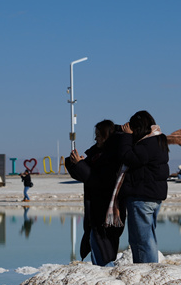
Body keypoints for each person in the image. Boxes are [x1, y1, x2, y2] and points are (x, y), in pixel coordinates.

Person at [66, 120, 126, 266]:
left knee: (104, 249)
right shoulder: (97, 155)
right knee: (95, 243)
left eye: (99, 135)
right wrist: (74, 163)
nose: (96, 138)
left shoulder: (112, 157)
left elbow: (98, 180)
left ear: (107, 136)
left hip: (106, 212)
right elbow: (84, 174)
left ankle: (106, 275)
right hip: (96, 211)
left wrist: (79, 165)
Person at [118, 110, 169, 264]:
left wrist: (126, 137)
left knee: (141, 240)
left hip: (142, 197)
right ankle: (150, 267)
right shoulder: (158, 140)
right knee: (148, 238)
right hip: (152, 196)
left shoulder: (147, 143)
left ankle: (145, 269)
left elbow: (129, 157)